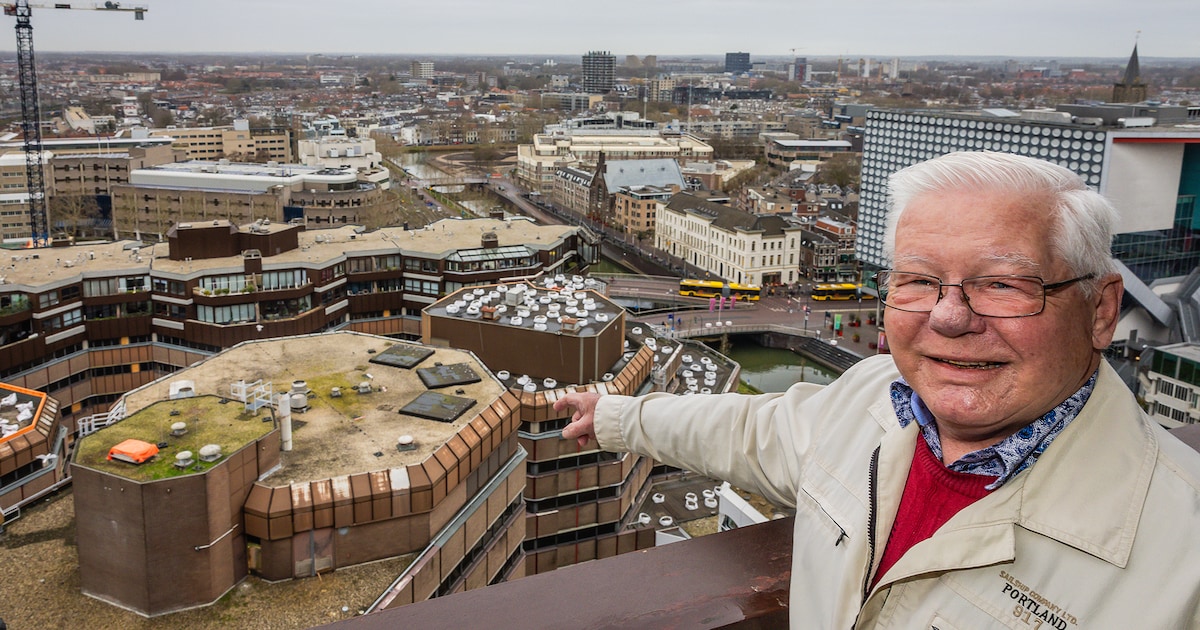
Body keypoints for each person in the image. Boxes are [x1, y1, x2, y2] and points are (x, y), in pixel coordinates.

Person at [555, 151, 1200, 628]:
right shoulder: (867, 395)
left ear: (1100, 311)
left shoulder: (1183, 557)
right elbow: (748, 432)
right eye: (919, 280)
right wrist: (615, 416)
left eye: (1004, 284)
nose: (949, 318)